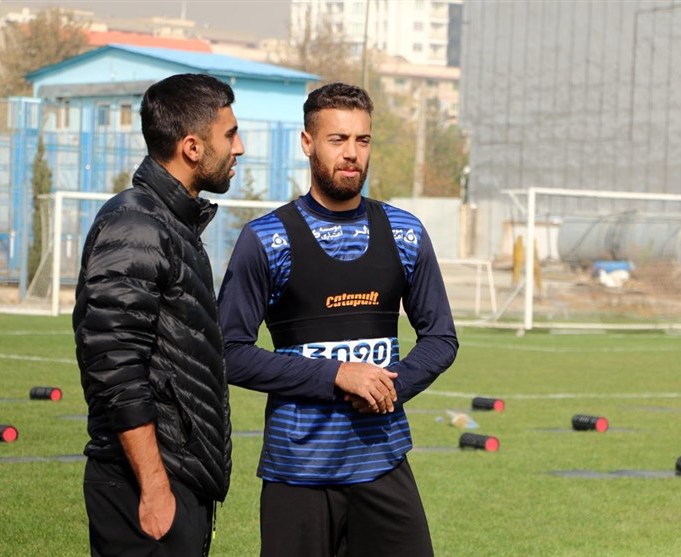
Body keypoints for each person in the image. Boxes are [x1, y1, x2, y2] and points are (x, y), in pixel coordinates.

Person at [217, 82, 458, 557]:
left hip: (383, 463)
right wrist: (336, 375)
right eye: (338, 139)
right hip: (297, 473)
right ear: (308, 143)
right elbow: (228, 352)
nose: (352, 153)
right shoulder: (266, 239)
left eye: (362, 140)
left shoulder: (405, 232)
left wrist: (391, 386)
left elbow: (441, 338)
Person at [73, 73, 244, 557]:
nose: (240, 147)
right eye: (230, 134)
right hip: (146, 482)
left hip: (177, 476)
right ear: (192, 147)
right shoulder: (136, 223)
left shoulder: (172, 223)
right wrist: (153, 486)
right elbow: (114, 364)